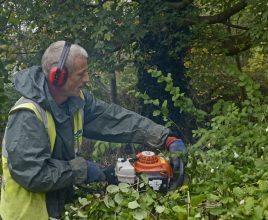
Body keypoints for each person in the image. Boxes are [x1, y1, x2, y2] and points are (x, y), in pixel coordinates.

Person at [0, 41, 186, 220]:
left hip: (60, 208)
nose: (87, 79)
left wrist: (166, 138)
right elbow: (34, 174)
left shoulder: (75, 101)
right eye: (81, 74)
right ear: (58, 77)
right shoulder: (28, 115)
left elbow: (115, 118)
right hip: (29, 215)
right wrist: (86, 170)